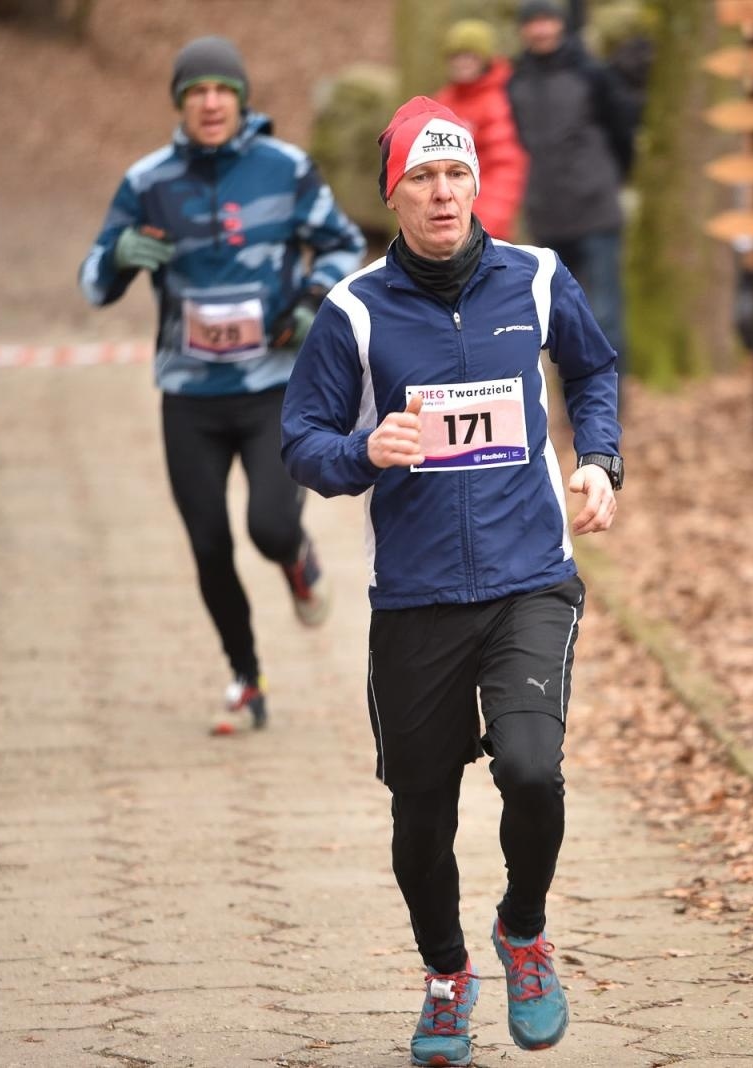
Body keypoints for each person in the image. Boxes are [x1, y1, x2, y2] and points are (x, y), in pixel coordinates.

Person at [280, 97, 623, 1068]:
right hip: (418, 598)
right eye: (421, 178)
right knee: (420, 811)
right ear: (392, 193)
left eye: (456, 174)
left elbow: (594, 371)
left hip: (528, 580)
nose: (442, 193)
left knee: (529, 768)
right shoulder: (353, 311)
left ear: (477, 183)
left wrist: (598, 460)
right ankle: (444, 973)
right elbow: (301, 439)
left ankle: (522, 931)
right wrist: (363, 448)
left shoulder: (540, 279)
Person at [79, 35, 366, 736]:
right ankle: (246, 679)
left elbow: (343, 243)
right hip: (190, 393)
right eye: (195, 92)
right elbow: (94, 281)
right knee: (209, 544)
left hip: (274, 386)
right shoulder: (149, 181)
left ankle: (296, 557)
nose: (210, 103)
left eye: (221, 90)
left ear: (241, 99)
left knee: (268, 525)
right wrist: (118, 257)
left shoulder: (286, 168)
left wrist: (310, 304)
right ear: (180, 103)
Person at [506, 0, 638, 376]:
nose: (541, 30)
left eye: (548, 21)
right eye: (533, 23)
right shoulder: (516, 82)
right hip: (546, 216)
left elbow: (621, 130)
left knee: (605, 316)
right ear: (523, 30)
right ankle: (573, 408)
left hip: (596, 211)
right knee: (560, 322)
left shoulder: (591, 73)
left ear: (560, 26)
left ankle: (610, 412)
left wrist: (609, 178)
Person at [431, 19, 528, 242]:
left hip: (480, 224)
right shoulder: (443, 100)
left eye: (470, 57)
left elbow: (505, 168)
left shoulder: (497, 101)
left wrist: (483, 224)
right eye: (456, 57)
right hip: (447, 216)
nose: (462, 63)